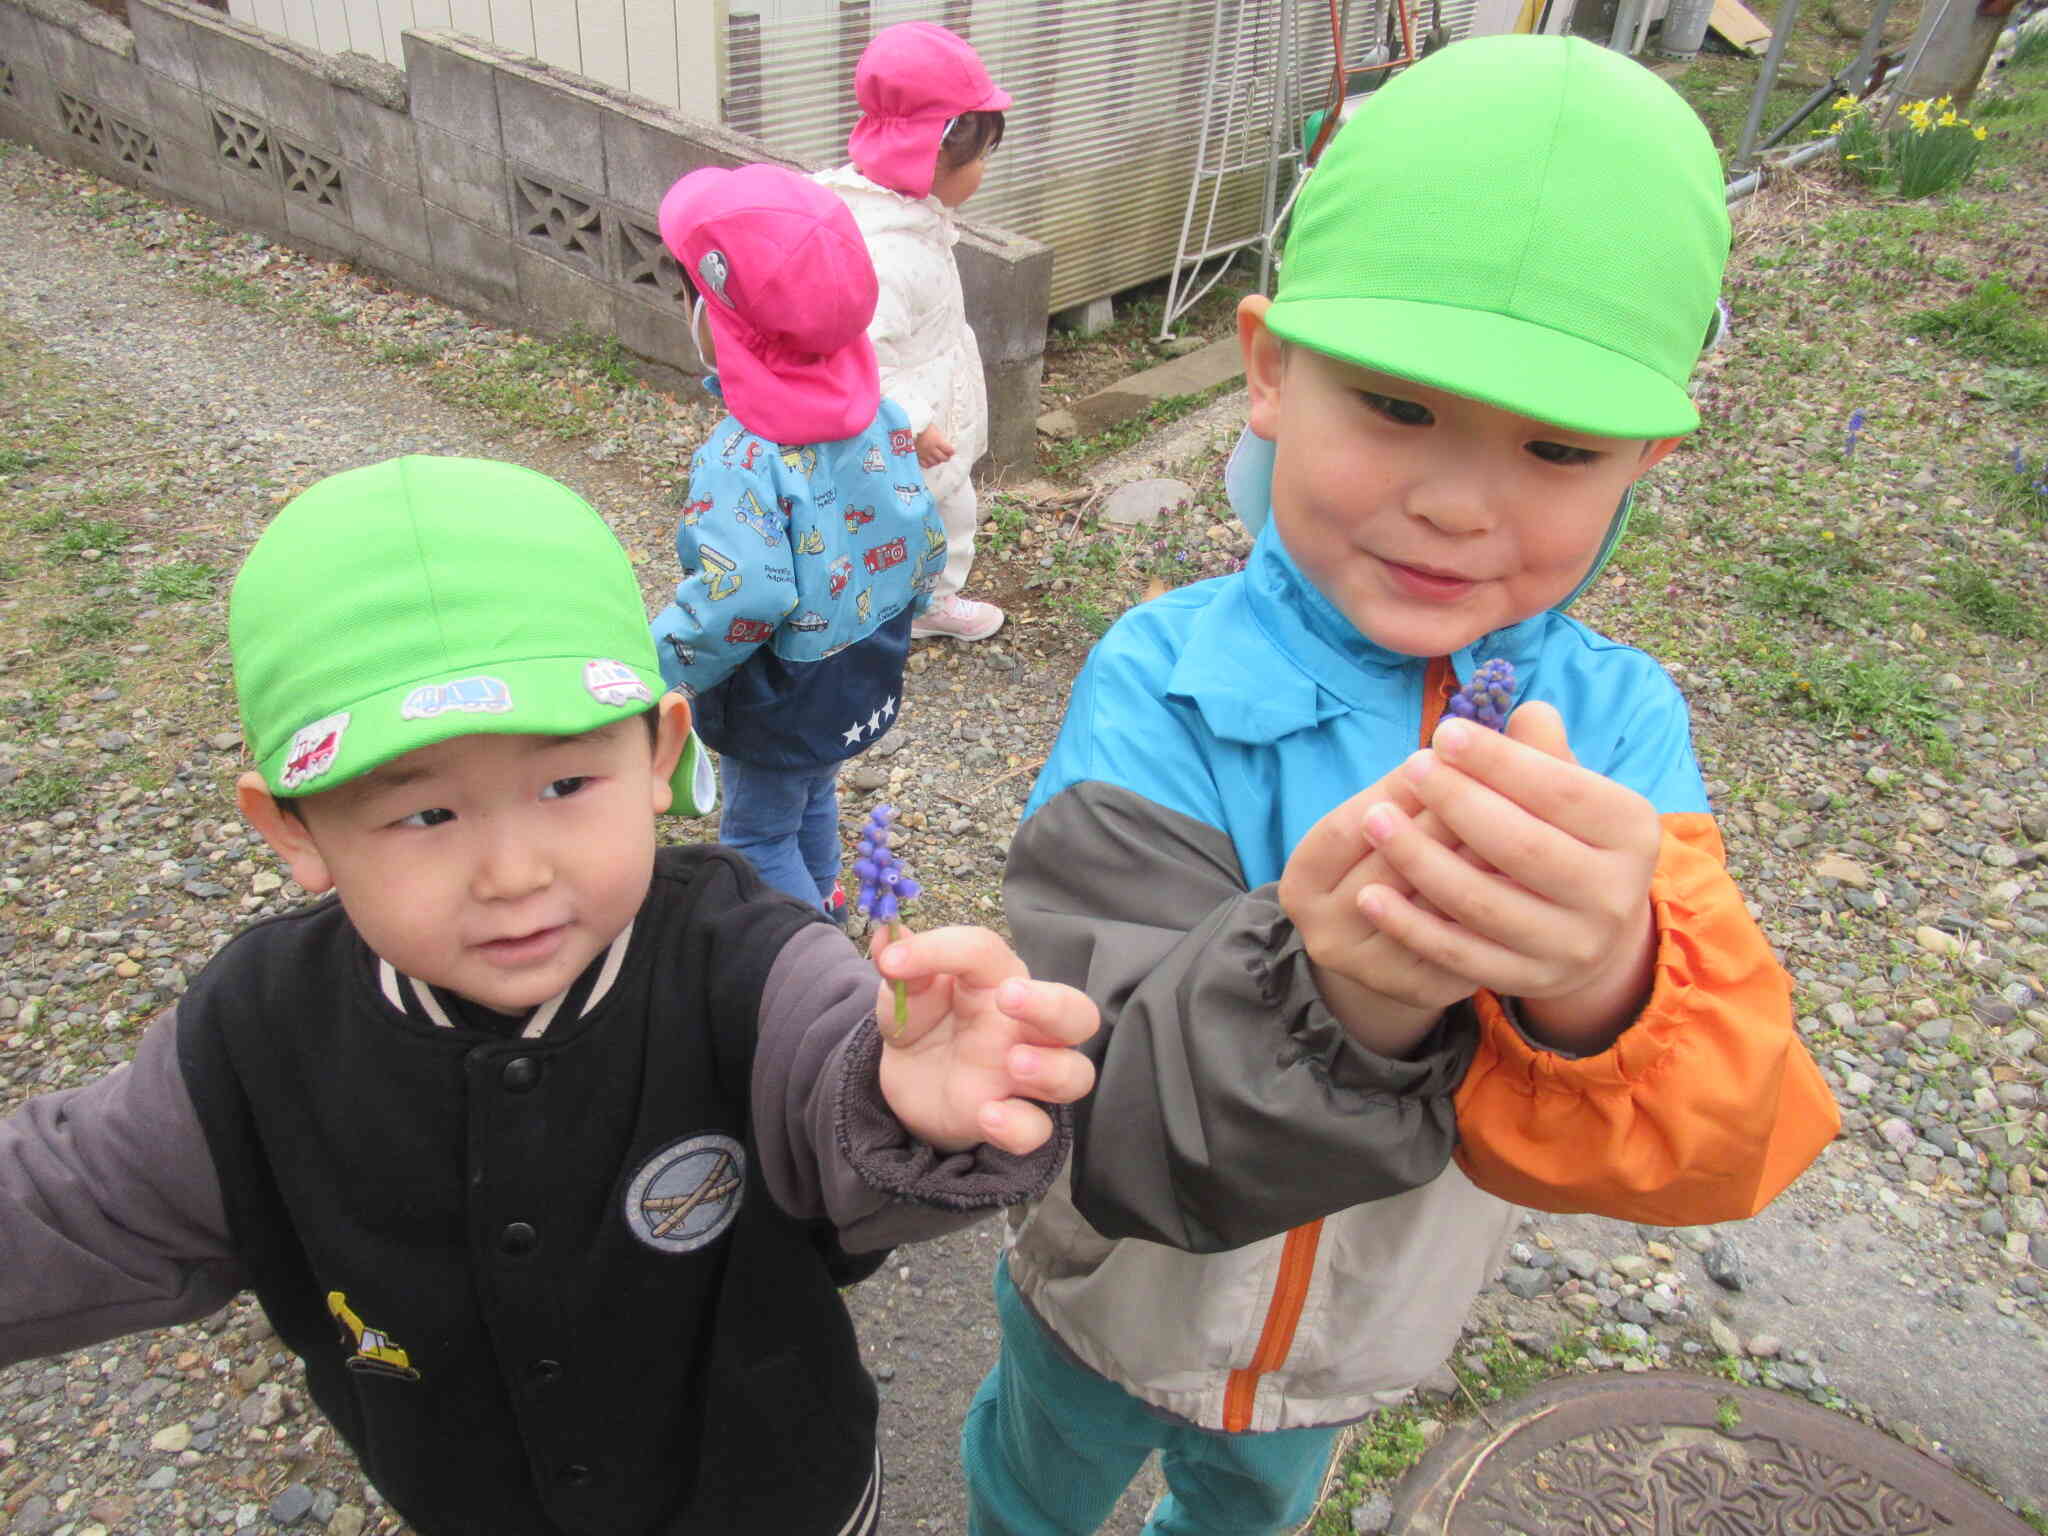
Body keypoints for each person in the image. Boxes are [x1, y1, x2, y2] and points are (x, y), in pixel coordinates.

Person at [963, 37, 1842, 1536]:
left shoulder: (1616, 735)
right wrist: (1341, 999)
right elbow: (1096, 1108)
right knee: (1033, 1484)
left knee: (1245, 1509)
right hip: (1115, 1301)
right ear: (1266, 370)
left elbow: (1725, 1137)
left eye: (1557, 445)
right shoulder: (1166, 681)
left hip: (1351, 1345)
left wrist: (1603, 984)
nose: (1457, 500)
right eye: (1398, 407)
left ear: (1644, 459)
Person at [0, 453, 1102, 1536]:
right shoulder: (251, 1037)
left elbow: (829, 1063)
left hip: (784, 1497)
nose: (513, 872)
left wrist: (898, 1092)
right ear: (292, 829)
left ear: (662, 750)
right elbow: (68, 1203)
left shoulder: (740, 956)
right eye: (425, 814)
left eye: (566, 784)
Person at [651, 163, 947, 917]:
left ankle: (808, 964)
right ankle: (825, 901)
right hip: (863, 665)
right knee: (811, 790)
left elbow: (745, 591)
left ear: (716, 318)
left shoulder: (742, 454)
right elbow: (923, 537)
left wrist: (658, 664)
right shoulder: (877, 413)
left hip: (778, 691)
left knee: (754, 835)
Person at [818, 20, 1011, 643]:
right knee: (941, 509)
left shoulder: (881, 209)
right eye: (980, 155)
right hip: (910, 427)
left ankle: (883, 596)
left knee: (886, 513)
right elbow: (863, 354)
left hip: (918, 405)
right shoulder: (890, 253)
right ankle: (926, 602)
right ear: (932, 150)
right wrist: (915, 421)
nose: (984, 170)